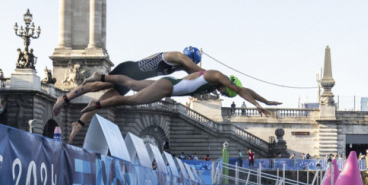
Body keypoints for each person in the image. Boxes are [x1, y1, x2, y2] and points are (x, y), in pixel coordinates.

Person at [53, 47, 204, 142]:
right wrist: (214, 79)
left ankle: (78, 124)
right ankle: (64, 98)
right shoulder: (177, 56)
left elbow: (192, 76)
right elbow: (197, 71)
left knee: (102, 102)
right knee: (97, 85)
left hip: (132, 80)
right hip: (128, 70)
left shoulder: (178, 67)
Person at [80, 70, 280, 122]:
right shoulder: (215, 76)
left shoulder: (217, 83)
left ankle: (101, 76)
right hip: (167, 88)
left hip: (169, 84)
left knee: (132, 83)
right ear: (225, 85)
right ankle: (96, 105)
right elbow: (240, 90)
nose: (221, 94)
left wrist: (266, 101)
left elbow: (245, 89)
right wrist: (255, 105)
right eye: (224, 92)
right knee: (130, 100)